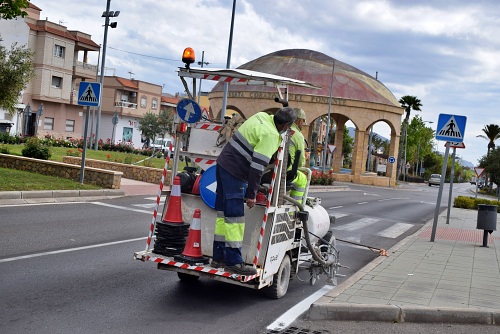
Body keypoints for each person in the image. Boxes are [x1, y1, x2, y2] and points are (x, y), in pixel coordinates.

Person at [212, 107, 296, 275]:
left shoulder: (260, 115)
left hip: (223, 164)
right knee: (235, 218)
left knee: (223, 214)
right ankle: (234, 262)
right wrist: (251, 194)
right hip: (235, 171)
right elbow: (257, 168)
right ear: (286, 125)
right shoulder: (271, 135)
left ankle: (219, 257)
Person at [288, 108, 308, 203]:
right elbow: (300, 163)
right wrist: (305, 159)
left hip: (270, 168)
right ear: (300, 121)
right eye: (303, 122)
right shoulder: (298, 135)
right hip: (286, 171)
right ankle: (295, 207)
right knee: (303, 179)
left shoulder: (282, 128)